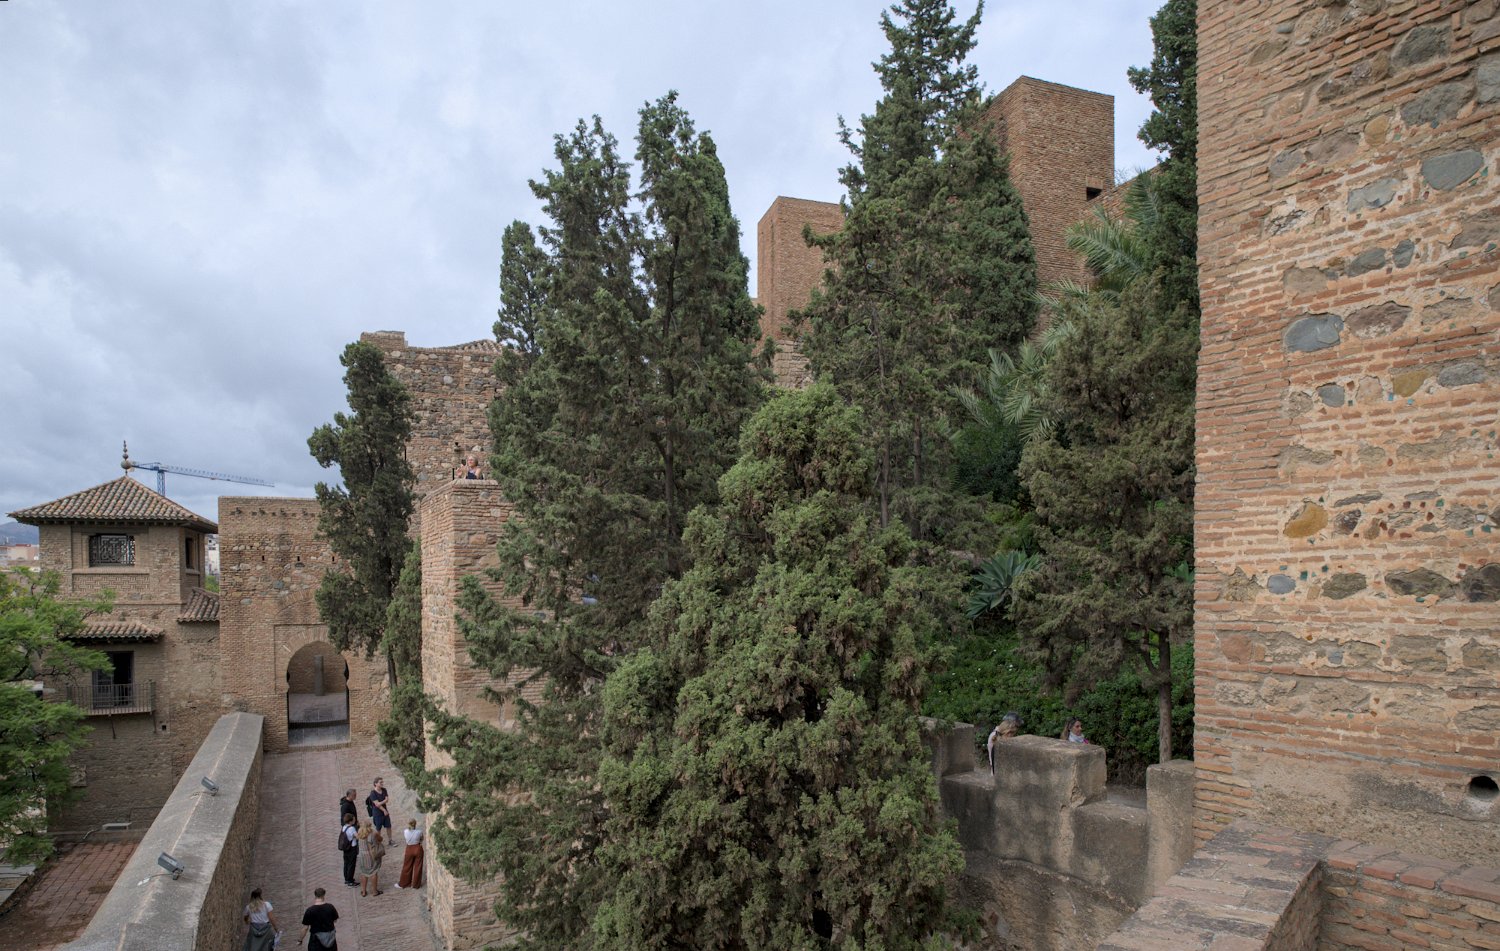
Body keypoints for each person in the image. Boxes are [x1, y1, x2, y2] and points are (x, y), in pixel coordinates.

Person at [357, 822, 386, 897]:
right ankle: (374, 891)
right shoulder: (373, 833)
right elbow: (381, 839)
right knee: (373, 872)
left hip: (362, 856)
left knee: (364, 873)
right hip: (371, 855)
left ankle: (363, 891)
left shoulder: (359, 833)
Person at [396, 818, 424, 889]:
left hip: (409, 848)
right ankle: (416, 885)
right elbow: (422, 839)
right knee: (418, 867)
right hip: (417, 848)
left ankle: (404, 883)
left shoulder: (405, 831)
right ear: (415, 824)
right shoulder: (419, 832)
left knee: (407, 866)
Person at [365, 777, 392, 844]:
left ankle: (390, 840)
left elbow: (386, 800)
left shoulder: (384, 790)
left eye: (382, 782)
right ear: (375, 784)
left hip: (385, 812)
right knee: (378, 828)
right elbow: (377, 805)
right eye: (380, 782)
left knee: (388, 826)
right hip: (377, 813)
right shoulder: (373, 793)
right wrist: (384, 809)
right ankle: (378, 842)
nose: (382, 783)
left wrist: (381, 802)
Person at [339, 814, 359, 887]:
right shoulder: (352, 828)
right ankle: (350, 880)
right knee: (351, 864)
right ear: (350, 821)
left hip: (346, 848)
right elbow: (357, 837)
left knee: (346, 863)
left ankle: (346, 879)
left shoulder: (344, 827)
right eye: (353, 819)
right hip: (352, 848)